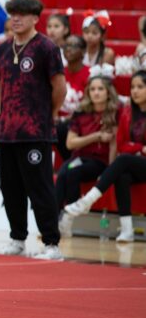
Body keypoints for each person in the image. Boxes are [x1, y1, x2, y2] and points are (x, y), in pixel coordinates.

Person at [0, 0, 66, 260]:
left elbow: (59, 87)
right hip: (7, 131)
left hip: (36, 131)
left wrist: (51, 113)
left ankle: (51, 243)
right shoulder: (1, 49)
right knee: (10, 188)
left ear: (35, 18)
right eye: (13, 14)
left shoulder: (46, 48)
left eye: (22, 14)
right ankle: (17, 238)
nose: (16, 18)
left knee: (41, 187)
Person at [66, 70, 146, 242]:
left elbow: (125, 148)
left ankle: (87, 201)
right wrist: (140, 147)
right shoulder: (128, 112)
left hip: (137, 162)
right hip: (136, 162)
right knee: (122, 175)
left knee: (122, 160)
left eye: (140, 87)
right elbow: (122, 144)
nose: (135, 91)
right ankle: (127, 230)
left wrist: (134, 148)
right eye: (132, 87)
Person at [56, 66, 120, 237]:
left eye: (100, 89)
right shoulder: (81, 113)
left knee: (73, 171)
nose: (96, 93)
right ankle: (54, 221)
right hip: (80, 156)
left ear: (108, 91)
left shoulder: (116, 113)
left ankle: (70, 216)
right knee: (63, 172)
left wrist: (110, 171)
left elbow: (113, 144)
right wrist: (96, 136)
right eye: (92, 89)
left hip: (100, 161)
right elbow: (70, 143)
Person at [56, 35, 90, 161]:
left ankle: (71, 161)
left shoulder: (90, 74)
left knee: (61, 128)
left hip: (81, 118)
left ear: (83, 51)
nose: (68, 49)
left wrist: (63, 119)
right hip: (58, 118)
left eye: (73, 46)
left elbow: (88, 106)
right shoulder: (59, 73)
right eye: (66, 46)